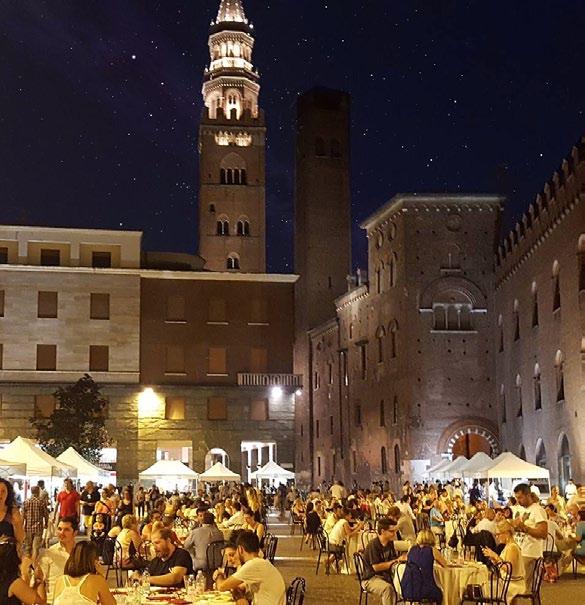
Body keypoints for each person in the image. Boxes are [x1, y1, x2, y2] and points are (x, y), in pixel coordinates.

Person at [215, 530, 286, 605]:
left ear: (240, 549)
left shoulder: (254, 565)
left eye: (233, 554)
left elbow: (221, 587)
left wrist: (218, 575)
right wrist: (240, 597)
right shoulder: (260, 562)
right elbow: (240, 587)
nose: (229, 559)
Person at [361, 518, 404, 605]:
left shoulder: (390, 544)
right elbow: (376, 567)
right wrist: (396, 560)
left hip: (384, 576)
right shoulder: (373, 545)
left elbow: (393, 560)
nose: (394, 533)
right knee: (387, 589)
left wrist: (399, 560)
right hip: (370, 578)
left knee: (402, 584)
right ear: (383, 531)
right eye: (391, 531)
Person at [482, 520, 526, 604]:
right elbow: (504, 564)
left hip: (513, 584)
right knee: (485, 586)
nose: (497, 537)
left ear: (506, 533)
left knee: (484, 589)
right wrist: (494, 559)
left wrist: (495, 556)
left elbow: (509, 569)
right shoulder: (508, 546)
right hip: (509, 581)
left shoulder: (512, 548)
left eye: (498, 534)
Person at [511, 483, 547, 582]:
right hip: (517, 550)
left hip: (530, 553)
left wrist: (525, 528)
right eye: (517, 498)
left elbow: (543, 533)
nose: (518, 500)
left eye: (520, 497)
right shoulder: (518, 509)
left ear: (528, 495)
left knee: (523, 586)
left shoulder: (538, 510)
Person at [401, 530, 449, 604]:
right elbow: (445, 564)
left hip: (407, 588)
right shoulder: (432, 550)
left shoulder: (411, 549)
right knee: (440, 593)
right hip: (424, 590)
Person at [39, 516, 78, 603]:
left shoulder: (82, 553)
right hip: (54, 601)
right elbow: (40, 581)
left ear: (75, 533)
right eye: (59, 529)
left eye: (66, 530)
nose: (61, 533)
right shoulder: (49, 553)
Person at [0, 538, 47, 605]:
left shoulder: (4, 578)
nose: (23, 554)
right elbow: (41, 602)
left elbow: (25, 596)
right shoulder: (14, 582)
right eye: (19, 551)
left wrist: (35, 585)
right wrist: (39, 579)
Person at [23, 485, 49, 561]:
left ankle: (28, 567)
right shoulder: (41, 502)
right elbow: (45, 514)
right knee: (36, 548)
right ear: (38, 491)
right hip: (38, 528)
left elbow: (23, 515)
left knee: (28, 548)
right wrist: (46, 523)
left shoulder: (26, 501)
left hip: (28, 528)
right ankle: (34, 566)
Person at [0, 478, 25, 548]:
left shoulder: (13, 512)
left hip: (8, 555)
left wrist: (17, 524)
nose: (0, 494)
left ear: (8, 494)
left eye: (3, 491)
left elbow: (20, 539)